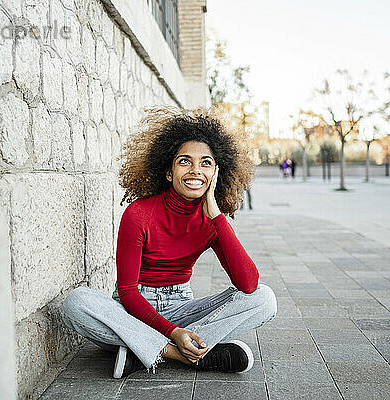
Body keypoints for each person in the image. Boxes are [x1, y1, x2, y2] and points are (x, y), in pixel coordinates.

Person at [61, 106, 277, 379]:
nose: (195, 170)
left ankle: (142, 351)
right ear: (169, 171)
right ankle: (182, 354)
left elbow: (248, 283)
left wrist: (218, 217)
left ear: (216, 173)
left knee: (264, 298)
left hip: (182, 306)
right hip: (134, 308)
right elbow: (127, 292)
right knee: (77, 302)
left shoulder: (212, 220)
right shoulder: (138, 213)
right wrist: (174, 334)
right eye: (185, 161)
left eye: (206, 163)